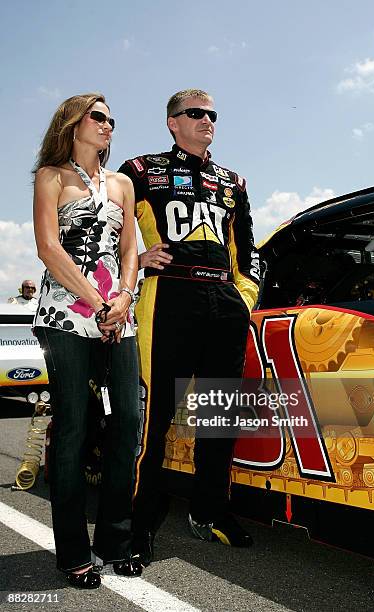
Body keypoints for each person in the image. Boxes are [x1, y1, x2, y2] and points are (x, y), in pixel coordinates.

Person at [118, 88, 260, 565]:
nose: (207, 120)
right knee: (153, 421)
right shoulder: (140, 170)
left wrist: (243, 299)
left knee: (219, 420)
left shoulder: (233, 180)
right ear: (172, 122)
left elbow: (248, 252)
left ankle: (211, 512)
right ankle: (136, 526)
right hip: (168, 301)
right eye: (195, 113)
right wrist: (135, 260)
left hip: (223, 303)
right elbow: (99, 228)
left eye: (212, 114)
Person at [32, 93, 142, 589]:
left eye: (112, 120)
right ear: (72, 123)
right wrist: (96, 304)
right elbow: (49, 248)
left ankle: (116, 542)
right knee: (75, 430)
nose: (108, 125)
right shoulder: (51, 177)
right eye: (98, 116)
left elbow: (129, 250)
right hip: (67, 315)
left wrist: (121, 299)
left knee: (127, 424)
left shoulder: (121, 184)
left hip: (120, 316)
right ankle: (74, 552)